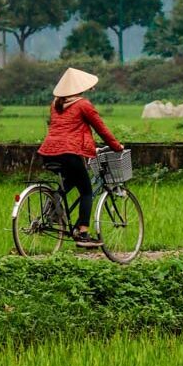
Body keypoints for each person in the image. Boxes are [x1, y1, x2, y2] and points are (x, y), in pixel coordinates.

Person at [38, 67, 124, 248]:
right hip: (70, 153)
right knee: (86, 190)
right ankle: (83, 233)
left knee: (68, 182)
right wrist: (117, 147)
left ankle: (52, 208)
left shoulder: (55, 105)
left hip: (48, 152)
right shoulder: (83, 105)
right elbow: (101, 129)